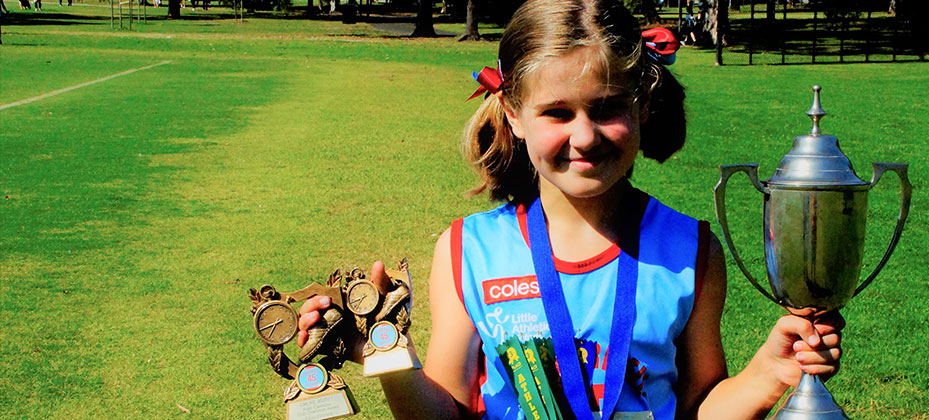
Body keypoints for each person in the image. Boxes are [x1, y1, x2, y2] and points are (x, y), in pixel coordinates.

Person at [298, 0, 844, 419]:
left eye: (607, 108)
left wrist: (769, 373)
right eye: (557, 112)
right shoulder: (468, 251)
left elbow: (699, 408)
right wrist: (386, 352)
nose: (584, 136)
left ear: (643, 104)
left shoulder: (689, 250)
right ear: (513, 112)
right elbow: (447, 412)